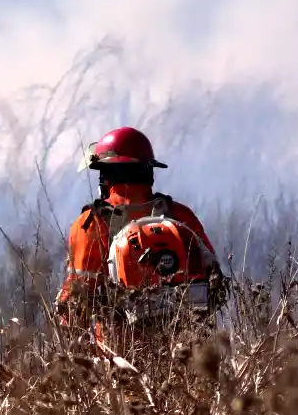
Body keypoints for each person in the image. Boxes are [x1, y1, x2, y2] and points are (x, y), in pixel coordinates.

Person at [55, 126, 223, 343]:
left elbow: (76, 302)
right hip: (189, 349)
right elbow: (215, 283)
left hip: (120, 354)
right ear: (148, 172)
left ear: (106, 176)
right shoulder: (181, 216)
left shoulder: (90, 224)